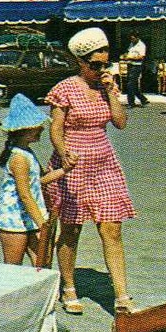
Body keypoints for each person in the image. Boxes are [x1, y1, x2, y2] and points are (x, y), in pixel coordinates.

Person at [45, 27, 137, 316]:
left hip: (104, 163)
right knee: (71, 229)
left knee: (112, 228)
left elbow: (120, 123)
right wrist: (63, 154)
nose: (100, 70)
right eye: (94, 65)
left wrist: (112, 91)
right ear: (80, 62)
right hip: (73, 163)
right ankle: (69, 287)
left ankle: (122, 296)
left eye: (104, 64)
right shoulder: (64, 89)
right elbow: (55, 129)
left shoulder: (107, 87)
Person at [0, 94, 71, 268]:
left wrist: (65, 169)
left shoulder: (27, 152)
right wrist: (42, 224)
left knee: (42, 266)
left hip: (33, 216)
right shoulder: (18, 159)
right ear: (24, 130)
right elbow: (25, 195)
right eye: (38, 127)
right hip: (13, 220)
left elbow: (41, 180)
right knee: (13, 269)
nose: (42, 129)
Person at [121, 33, 148, 107]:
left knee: (130, 84)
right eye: (131, 39)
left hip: (136, 66)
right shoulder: (131, 44)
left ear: (137, 38)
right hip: (130, 65)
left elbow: (141, 57)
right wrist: (125, 55)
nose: (132, 40)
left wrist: (130, 58)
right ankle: (143, 99)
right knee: (134, 84)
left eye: (133, 38)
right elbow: (128, 52)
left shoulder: (141, 46)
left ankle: (131, 102)